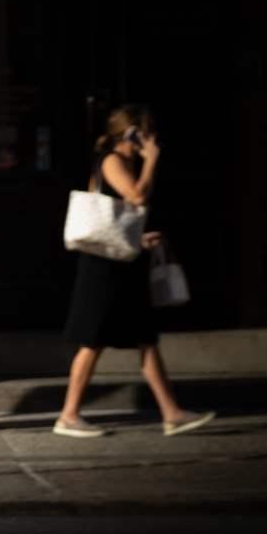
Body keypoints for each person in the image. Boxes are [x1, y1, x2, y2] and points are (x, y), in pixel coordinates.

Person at [56, 105, 214, 439]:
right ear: (131, 134)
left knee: (145, 337)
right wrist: (153, 159)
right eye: (146, 131)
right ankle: (68, 416)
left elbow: (119, 218)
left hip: (123, 261)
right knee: (92, 340)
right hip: (103, 268)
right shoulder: (112, 160)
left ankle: (172, 413)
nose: (151, 137)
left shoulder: (124, 163)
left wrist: (139, 237)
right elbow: (137, 196)